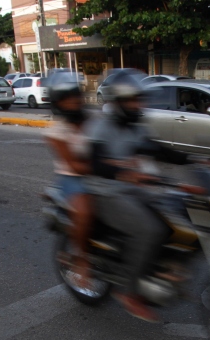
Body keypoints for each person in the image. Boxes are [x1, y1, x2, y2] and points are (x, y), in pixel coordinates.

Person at [86, 69, 172, 322]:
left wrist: (198, 160)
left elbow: (157, 149)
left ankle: (153, 270)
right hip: (104, 192)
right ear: (120, 101)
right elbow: (94, 164)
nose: (139, 105)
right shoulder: (100, 126)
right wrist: (123, 172)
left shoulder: (134, 125)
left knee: (172, 217)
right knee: (149, 230)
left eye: (140, 99)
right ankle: (129, 292)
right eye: (134, 100)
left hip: (130, 189)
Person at [43, 70, 94, 289]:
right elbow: (74, 165)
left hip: (102, 174)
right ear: (58, 102)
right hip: (72, 179)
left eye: (75, 95)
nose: (73, 101)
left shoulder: (95, 120)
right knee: (85, 211)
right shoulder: (55, 131)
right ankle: (81, 258)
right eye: (66, 98)